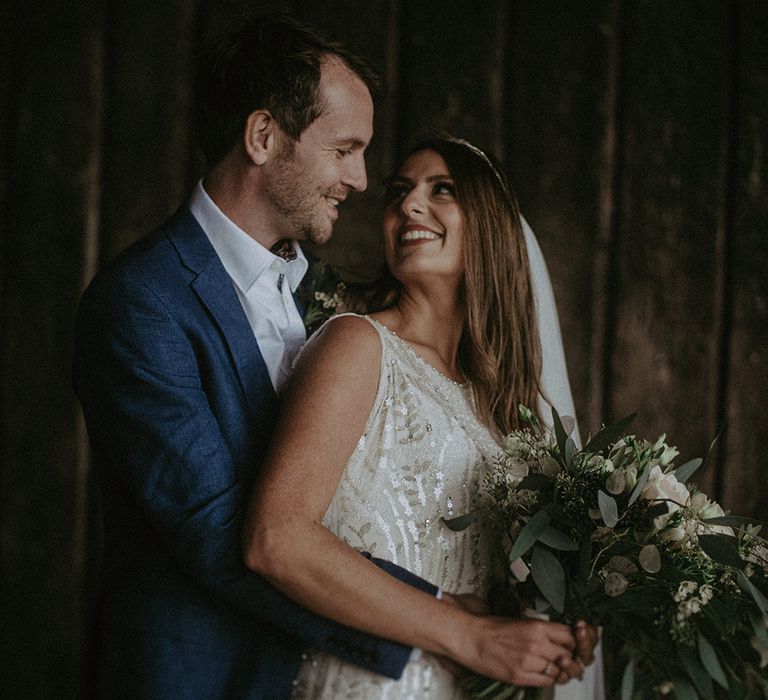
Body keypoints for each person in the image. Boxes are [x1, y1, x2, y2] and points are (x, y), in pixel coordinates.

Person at [74, 14, 452, 699]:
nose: (361, 179)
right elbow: (222, 536)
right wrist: (445, 624)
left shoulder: (332, 302)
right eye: (344, 149)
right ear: (262, 137)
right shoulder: (139, 303)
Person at [243, 135, 603, 698]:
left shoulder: (506, 410)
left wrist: (541, 635)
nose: (409, 205)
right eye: (399, 193)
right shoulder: (357, 345)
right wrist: (469, 635)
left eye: (443, 191)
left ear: (490, 225)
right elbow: (276, 537)